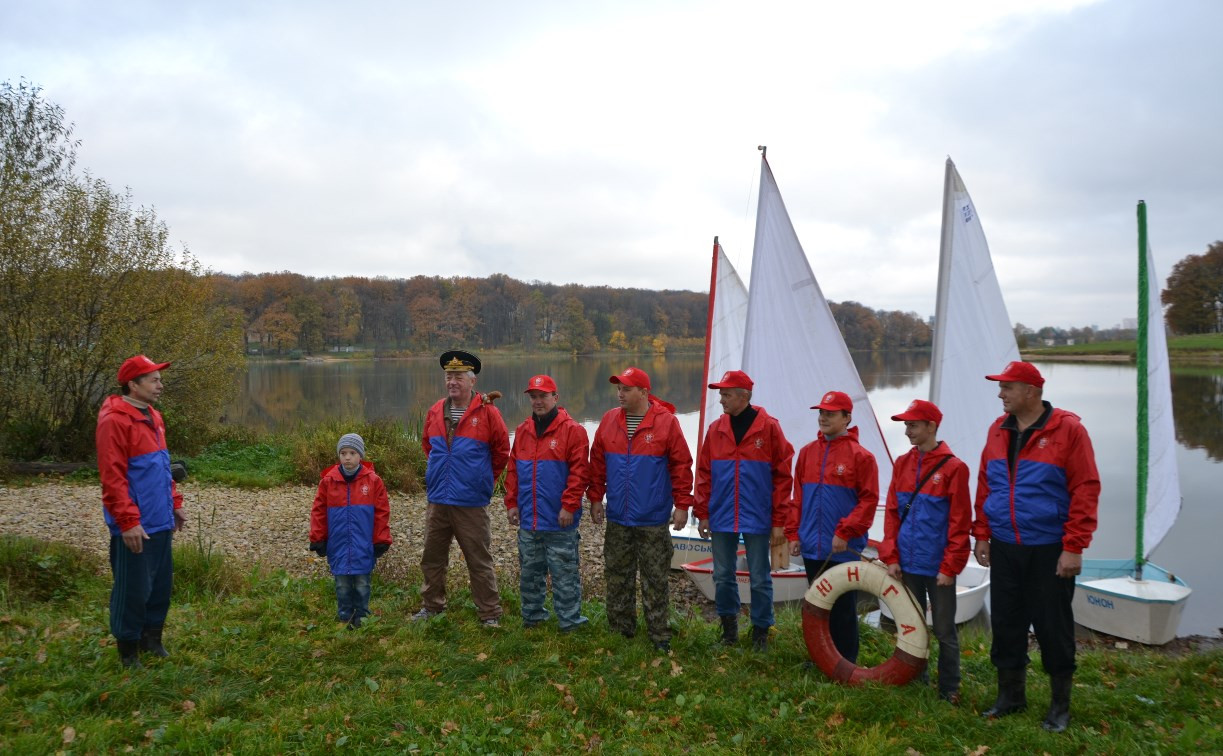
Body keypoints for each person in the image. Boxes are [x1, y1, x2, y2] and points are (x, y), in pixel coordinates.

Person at [974, 361, 1100, 733]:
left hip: (1048, 548)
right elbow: (986, 484)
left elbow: (1086, 488)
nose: (1001, 394)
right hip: (1005, 545)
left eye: (1007, 388)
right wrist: (981, 532)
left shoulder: (1069, 430)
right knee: (1007, 623)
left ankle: (1060, 706)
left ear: (1031, 391)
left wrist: (1074, 546)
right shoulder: (997, 430)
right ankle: (1010, 697)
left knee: (1053, 627)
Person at [588, 366, 694, 652]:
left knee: (655, 577)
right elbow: (596, 463)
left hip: (652, 517)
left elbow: (681, 465)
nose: (619, 393)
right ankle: (621, 630)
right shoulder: (609, 420)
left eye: (626, 388)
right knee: (617, 574)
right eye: (618, 388)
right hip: (619, 516)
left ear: (644, 392)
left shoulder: (667, 422)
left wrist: (682, 504)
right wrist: (596, 498)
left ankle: (659, 634)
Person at [878, 399, 971, 704]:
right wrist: (890, 557)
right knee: (912, 626)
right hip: (907, 563)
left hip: (938, 566)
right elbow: (892, 514)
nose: (907, 431)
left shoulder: (955, 468)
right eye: (906, 425)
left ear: (931, 426)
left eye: (913, 425)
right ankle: (917, 679)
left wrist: (950, 566)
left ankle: (949, 688)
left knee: (944, 630)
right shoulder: (902, 464)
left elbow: (960, 522)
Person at [96, 355, 186, 669]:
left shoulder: (154, 417)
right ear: (133, 385)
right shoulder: (114, 420)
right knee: (132, 588)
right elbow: (113, 477)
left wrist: (174, 504)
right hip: (136, 524)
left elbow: (161, 466)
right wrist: (127, 521)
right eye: (153, 379)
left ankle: (152, 639)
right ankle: (128, 650)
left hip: (160, 518)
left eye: (159, 378)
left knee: (160, 584)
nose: (160, 384)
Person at [694, 370, 793, 652]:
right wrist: (702, 513)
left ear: (744, 396)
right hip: (722, 513)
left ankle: (761, 632)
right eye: (720, 394)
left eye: (726, 394)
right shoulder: (716, 429)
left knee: (760, 576)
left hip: (758, 515)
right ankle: (729, 631)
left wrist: (778, 521)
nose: (721, 399)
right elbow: (703, 473)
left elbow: (783, 477)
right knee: (723, 574)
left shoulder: (769, 428)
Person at [414, 350, 510, 627]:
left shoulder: (488, 413)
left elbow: (502, 452)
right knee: (432, 557)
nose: (452, 381)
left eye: (458, 376)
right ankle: (431, 607)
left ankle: (489, 614)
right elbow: (428, 447)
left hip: (470, 501)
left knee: (479, 560)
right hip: (438, 499)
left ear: (472, 381)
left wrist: (483, 480)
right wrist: (439, 474)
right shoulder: (435, 410)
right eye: (448, 376)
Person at [787, 390, 879, 665]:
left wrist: (846, 531)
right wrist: (793, 533)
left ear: (847, 417)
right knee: (817, 605)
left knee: (842, 607)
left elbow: (869, 501)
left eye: (831, 413)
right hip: (812, 546)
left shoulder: (861, 457)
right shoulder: (806, 453)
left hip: (842, 547)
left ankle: (846, 660)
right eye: (821, 413)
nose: (824, 418)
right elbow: (798, 498)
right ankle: (819, 657)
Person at [504, 375, 591, 632]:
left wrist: (569, 505)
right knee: (530, 574)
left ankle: (570, 623)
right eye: (534, 397)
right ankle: (532, 618)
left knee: (565, 576)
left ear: (556, 397)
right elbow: (513, 471)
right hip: (529, 519)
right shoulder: (522, 431)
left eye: (543, 396)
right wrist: (512, 503)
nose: (538, 401)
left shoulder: (573, 431)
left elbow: (579, 473)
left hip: (559, 520)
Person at [309, 433, 392, 629]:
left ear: (360, 455)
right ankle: (345, 617)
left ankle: (362, 618)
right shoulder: (328, 481)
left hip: (363, 544)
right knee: (342, 584)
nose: (347, 457)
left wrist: (381, 539)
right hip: (338, 544)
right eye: (343, 453)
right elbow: (318, 511)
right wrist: (318, 537)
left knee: (363, 583)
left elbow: (382, 512)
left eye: (352, 453)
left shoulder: (373, 481)